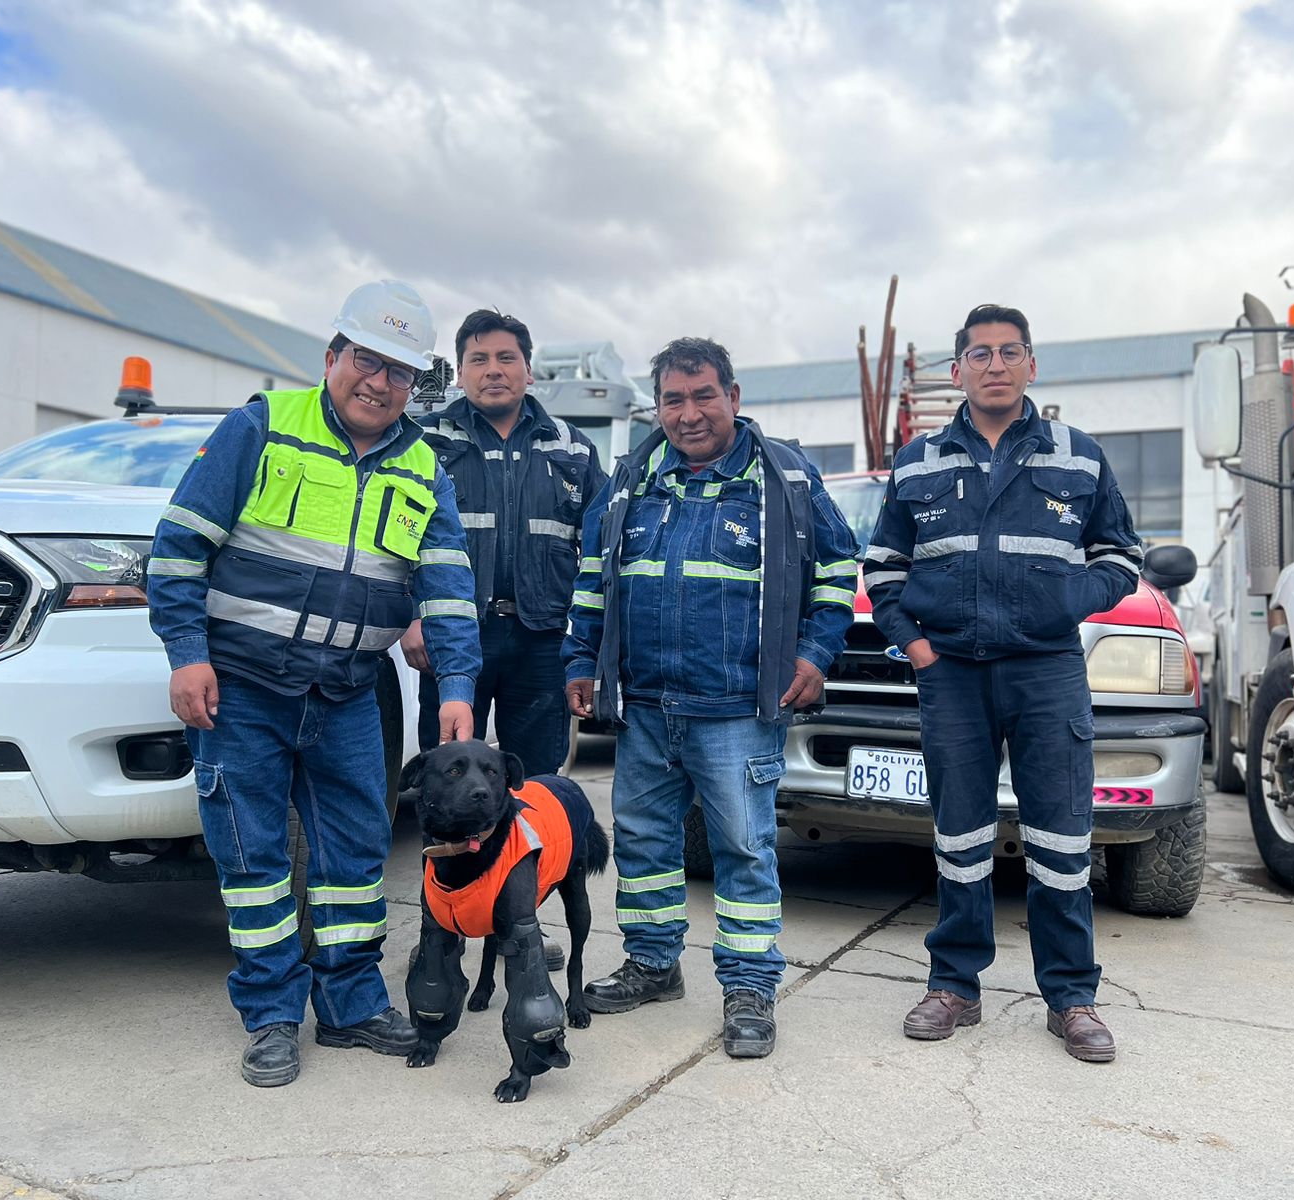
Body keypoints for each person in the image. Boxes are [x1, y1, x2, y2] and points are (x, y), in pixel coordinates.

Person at [146, 280, 481, 1088]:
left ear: (416, 385)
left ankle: (351, 1006)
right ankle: (268, 1016)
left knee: (356, 859)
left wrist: (460, 684)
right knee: (254, 860)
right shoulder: (262, 427)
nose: (380, 383)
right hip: (243, 692)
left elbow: (446, 587)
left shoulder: (423, 465)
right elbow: (178, 548)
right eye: (367, 360)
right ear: (333, 357)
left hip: (348, 694)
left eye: (401, 372)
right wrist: (186, 651)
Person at [563, 336, 859, 1059]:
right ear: (656, 404)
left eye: (703, 396)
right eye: (673, 399)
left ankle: (751, 986)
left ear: (733, 396)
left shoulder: (783, 478)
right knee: (643, 844)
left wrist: (816, 653)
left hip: (734, 709)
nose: (689, 413)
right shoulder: (634, 477)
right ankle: (655, 964)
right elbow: (593, 576)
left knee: (743, 849)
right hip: (644, 708)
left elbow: (837, 568)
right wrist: (580, 656)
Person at [865, 303, 1143, 1063]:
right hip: (950, 674)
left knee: (1061, 837)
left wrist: (1066, 603)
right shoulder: (919, 461)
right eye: (979, 353)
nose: (994, 363)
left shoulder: (1078, 458)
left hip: (1047, 672)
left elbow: (1122, 555)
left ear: (1031, 364)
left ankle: (1072, 997)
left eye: (1008, 350)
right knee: (959, 836)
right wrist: (917, 648)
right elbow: (884, 570)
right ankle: (954, 985)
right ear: (957, 370)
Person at [403, 309, 607, 775]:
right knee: (449, 776)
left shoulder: (572, 448)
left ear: (528, 370)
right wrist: (411, 616)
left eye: (505, 357)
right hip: (453, 638)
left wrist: (586, 643)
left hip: (542, 640)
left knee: (535, 783)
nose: (493, 369)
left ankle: (531, 852)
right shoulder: (425, 443)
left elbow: (600, 552)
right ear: (459, 373)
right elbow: (396, 542)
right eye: (478, 359)